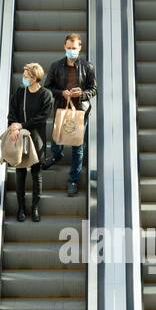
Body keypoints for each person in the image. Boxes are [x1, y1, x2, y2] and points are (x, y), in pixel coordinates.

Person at [42, 33, 96, 196]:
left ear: (80, 48)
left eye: (75, 48)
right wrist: (61, 93)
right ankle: (56, 156)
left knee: (78, 148)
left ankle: (73, 180)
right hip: (61, 109)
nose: (72, 51)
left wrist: (82, 94)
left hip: (80, 111)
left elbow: (94, 90)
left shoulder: (88, 67)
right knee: (57, 139)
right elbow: (47, 87)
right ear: (65, 47)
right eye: (69, 48)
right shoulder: (56, 66)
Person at [7, 63, 53, 222]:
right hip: (19, 138)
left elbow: (42, 117)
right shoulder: (20, 92)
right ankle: (21, 208)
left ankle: (35, 208)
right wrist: (13, 126)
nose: (23, 79)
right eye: (23, 75)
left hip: (36, 139)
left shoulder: (46, 95)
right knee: (20, 173)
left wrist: (22, 125)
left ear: (35, 78)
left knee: (36, 174)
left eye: (26, 76)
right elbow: (12, 112)